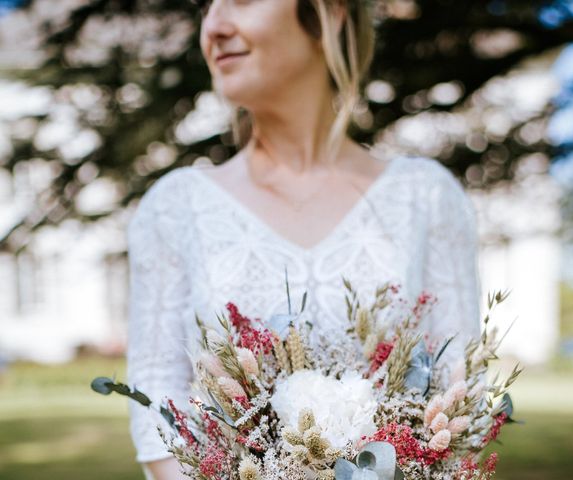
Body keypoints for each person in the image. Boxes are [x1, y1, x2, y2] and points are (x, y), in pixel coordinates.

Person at [125, 0, 481, 479]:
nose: (215, 25)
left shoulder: (426, 197)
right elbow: (156, 403)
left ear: (328, 12)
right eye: (207, 5)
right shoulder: (174, 207)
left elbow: (460, 403)